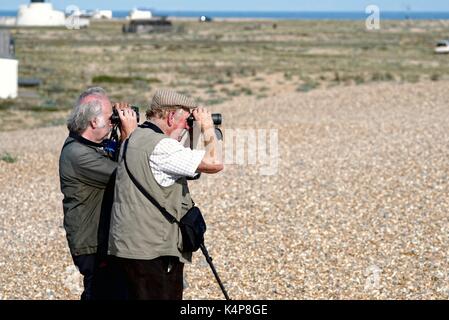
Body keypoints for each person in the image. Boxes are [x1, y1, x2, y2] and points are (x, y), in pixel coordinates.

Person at [108, 89, 223, 300]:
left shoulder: (137, 136)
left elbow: (184, 163)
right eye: (185, 120)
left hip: (129, 247)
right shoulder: (161, 147)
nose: (186, 127)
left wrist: (192, 130)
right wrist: (207, 127)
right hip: (153, 251)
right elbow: (214, 164)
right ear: (171, 116)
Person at [59, 87, 137, 300]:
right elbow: (126, 175)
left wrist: (120, 134)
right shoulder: (78, 154)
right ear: (94, 122)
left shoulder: (93, 144)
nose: (113, 120)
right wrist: (130, 134)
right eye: (109, 117)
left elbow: (118, 158)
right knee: (101, 293)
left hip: (100, 239)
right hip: (92, 244)